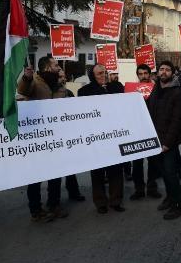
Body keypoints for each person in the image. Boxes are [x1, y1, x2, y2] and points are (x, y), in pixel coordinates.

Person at [18, 56, 69, 221]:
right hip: (37, 138)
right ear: (47, 67)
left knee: (56, 174)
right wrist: (26, 77)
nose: (58, 66)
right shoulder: (36, 82)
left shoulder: (60, 87)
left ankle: (54, 205)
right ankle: (36, 210)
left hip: (56, 137)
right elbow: (23, 90)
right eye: (55, 64)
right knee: (36, 176)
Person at [78, 64, 126, 214]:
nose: (103, 75)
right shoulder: (84, 91)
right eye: (99, 73)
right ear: (92, 75)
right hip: (96, 137)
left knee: (116, 171)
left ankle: (116, 200)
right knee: (97, 172)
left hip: (114, 135)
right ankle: (100, 203)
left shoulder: (116, 88)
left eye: (105, 73)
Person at [147, 61, 181, 220]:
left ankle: (178, 206)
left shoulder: (178, 93)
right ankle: (170, 198)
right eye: (161, 69)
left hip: (167, 144)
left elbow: (177, 121)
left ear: (173, 73)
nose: (163, 72)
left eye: (167, 70)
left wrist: (167, 144)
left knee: (171, 175)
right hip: (156, 141)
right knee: (164, 173)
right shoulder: (155, 89)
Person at [129, 64, 161, 198]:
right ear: (137, 75)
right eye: (140, 74)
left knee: (153, 161)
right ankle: (139, 189)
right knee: (137, 163)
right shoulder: (131, 90)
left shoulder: (157, 89)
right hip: (137, 130)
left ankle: (152, 188)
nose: (143, 76)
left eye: (145, 73)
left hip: (153, 129)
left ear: (150, 74)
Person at [57, 69, 85, 202]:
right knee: (56, 173)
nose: (63, 79)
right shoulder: (51, 93)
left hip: (69, 137)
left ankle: (74, 193)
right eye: (60, 76)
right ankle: (54, 201)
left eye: (64, 76)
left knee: (71, 169)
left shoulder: (69, 93)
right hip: (55, 139)